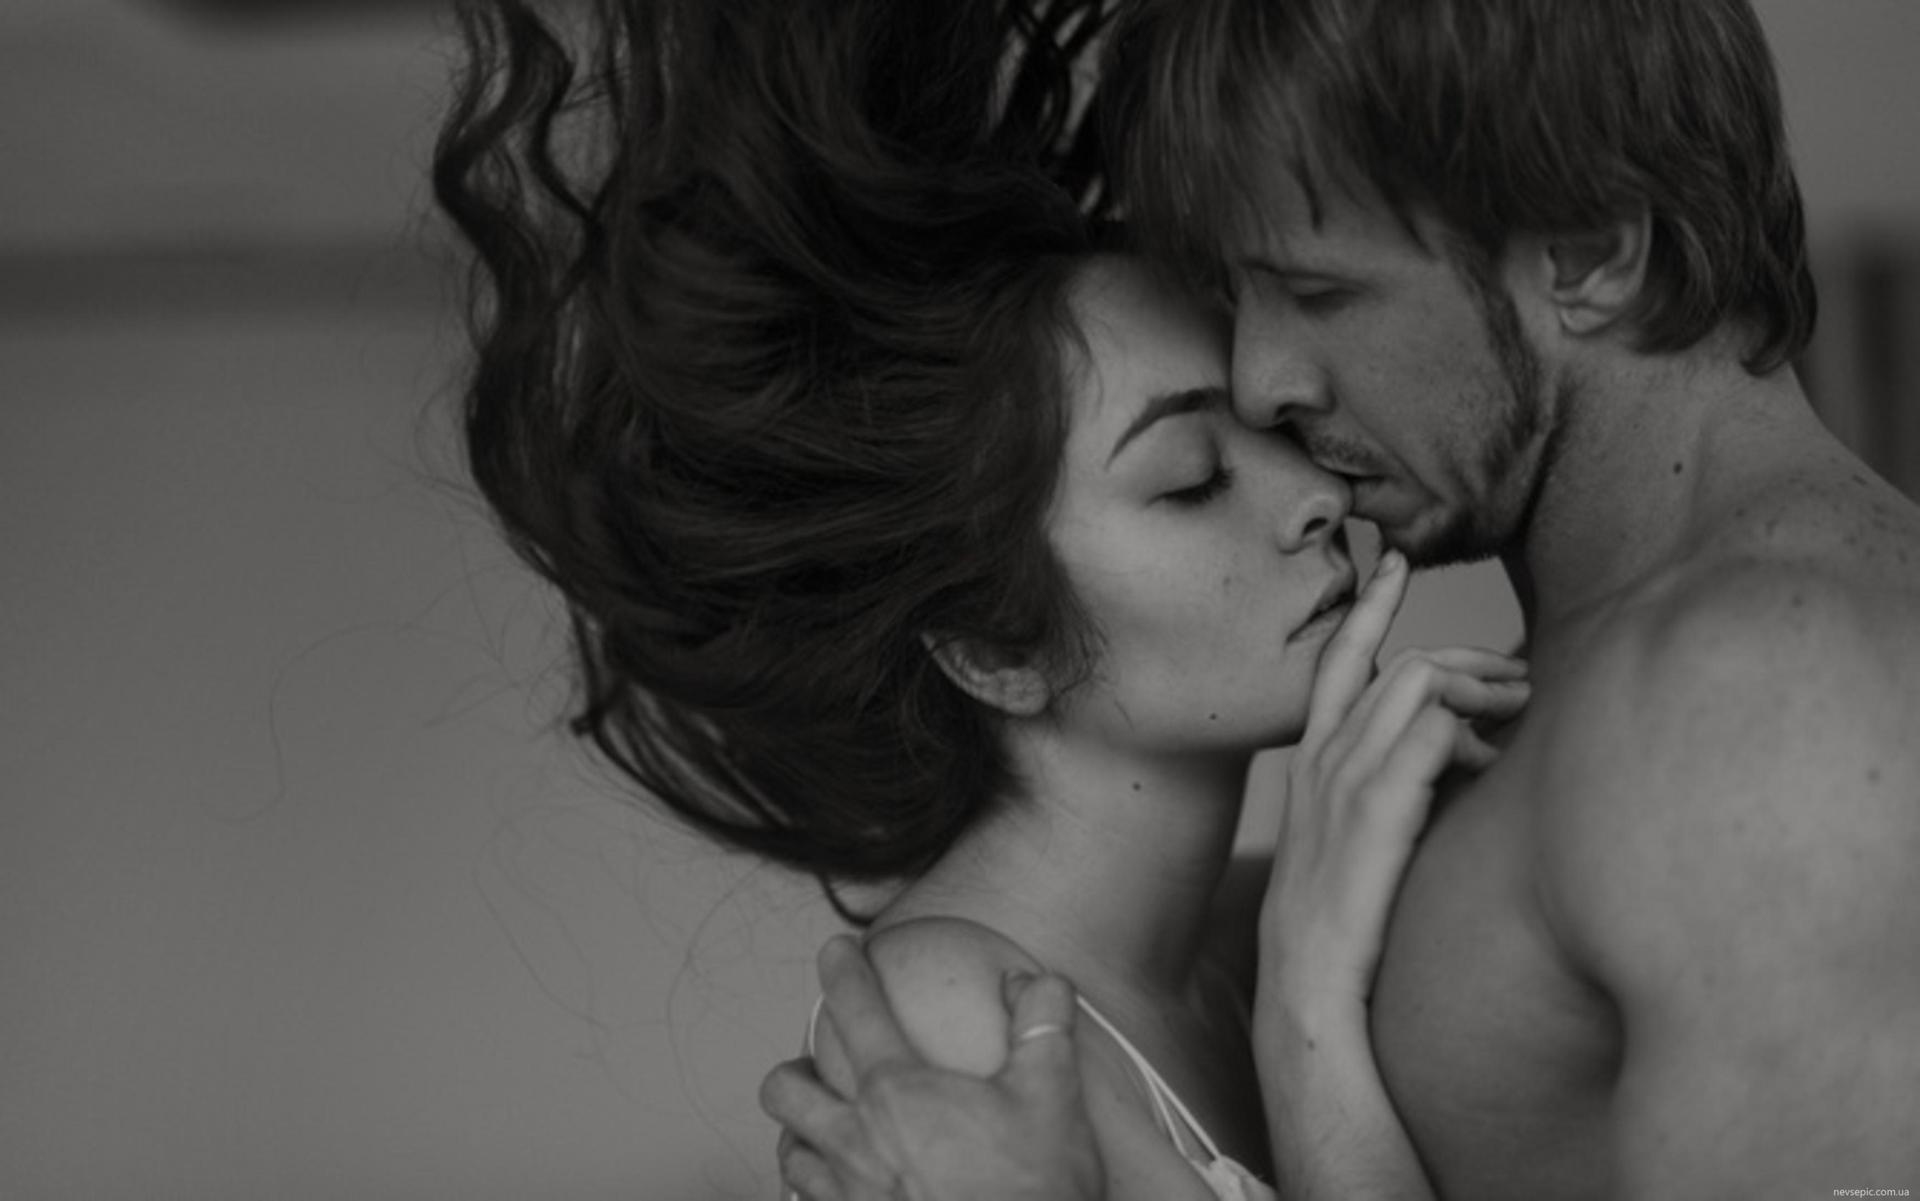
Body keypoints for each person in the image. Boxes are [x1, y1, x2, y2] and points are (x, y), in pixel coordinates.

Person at [761, 0, 1920, 1197]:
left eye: (1316, 293)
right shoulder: (1569, 713)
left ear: (1586, 251)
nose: (1264, 383)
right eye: (1236, 297)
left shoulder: (1775, 704)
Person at [432, 1, 1525, 1198]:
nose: (1315, 494)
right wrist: (1309, 1010)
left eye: (1274, 428)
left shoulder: (1280, 906)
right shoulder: (956, 1019)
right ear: (998, 647)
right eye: (1192, 479)